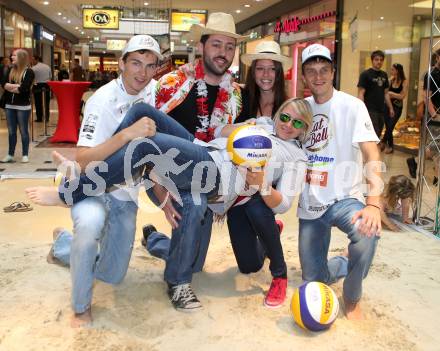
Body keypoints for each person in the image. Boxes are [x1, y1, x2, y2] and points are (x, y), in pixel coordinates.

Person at [25, 98, 309, 310]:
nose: (287, 125)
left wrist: (261, 183)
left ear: (303, 130)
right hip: (204, 150)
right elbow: (220, 131)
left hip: (214, 177)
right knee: (140, 112)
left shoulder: (295, 156)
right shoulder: (261, 124)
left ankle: (69, 192)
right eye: (285, 116)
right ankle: (92, 171)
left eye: (297, 123)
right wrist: (241, 129)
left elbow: (282, 205)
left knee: (145, 147)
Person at [28, 35, 161, 328]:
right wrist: (126, 134)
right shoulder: (102, 99)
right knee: (88, 228)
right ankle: (80, 306)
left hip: (125, 193)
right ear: (122, 64)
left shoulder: (152, 93)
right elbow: (84, 158)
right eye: (136, 63)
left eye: (150, 66)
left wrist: (164, 196)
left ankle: (64, 245)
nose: (142, 72)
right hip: (90, 185)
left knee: (112, 275)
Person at [141, 12, 248, 311]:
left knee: (195, 260)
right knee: (196, 203)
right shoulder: (171, 83)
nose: (223, 53)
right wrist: (160, 193)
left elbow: (233, 145)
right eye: (216, 44)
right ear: (201, 47)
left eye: (229, 47)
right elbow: (144, 139)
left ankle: (154, 241)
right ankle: (178, 283)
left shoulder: (236, 95)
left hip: (205, 173)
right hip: (163, 172)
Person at [298, 44, 382, 320]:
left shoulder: (353, 106)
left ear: (333, 72)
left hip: (345, 199)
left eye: (324, 70)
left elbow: (371, 151)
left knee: (367, 231)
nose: (318, 76)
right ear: (304, 77)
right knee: (314, 281)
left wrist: (374, 203)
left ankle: (352, 294)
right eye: (311, 71)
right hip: (310, 205)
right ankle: (341, 263)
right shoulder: (301, 110)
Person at [226, 40, 294, 308]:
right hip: (238, 190)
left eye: (272, 69)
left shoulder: (288, 108)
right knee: (249, 266)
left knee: (256, 207)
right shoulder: (240, 101)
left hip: (266, 193)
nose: (266, 75)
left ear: (279, 73)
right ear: (252, 72)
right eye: (260, 69)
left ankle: (280, 274)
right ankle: (271, 233)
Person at [407, 49, 440, 183]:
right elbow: (426, 97)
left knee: (437, 147)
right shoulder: (430, 74)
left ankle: (437, 176)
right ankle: (414, 161)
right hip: (434, 115)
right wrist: (434, 115)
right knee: (433, 147)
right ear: (437, 57)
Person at [0, 49, 35, 163]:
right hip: (9, 105)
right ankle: (10, 154)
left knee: (23, 130)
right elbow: (3, 84)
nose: (12, 57)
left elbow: (24, 89)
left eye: (14, 56)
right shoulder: (9, 69)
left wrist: (12, 87)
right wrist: (16, 87)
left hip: (23, 106)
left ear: (21, 57)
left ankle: (25, 154)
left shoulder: (29, 72)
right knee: (11, 131)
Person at [358, 50, 395, 138]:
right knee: (372, 135)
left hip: (381, 110)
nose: (379, 62)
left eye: (381, 60)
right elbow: (361, 93)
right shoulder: (365, 74)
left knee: (378, 134)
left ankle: (372, 150)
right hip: (369, 110)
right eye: (376, 59)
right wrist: (362, 109)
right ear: (372, 60)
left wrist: (390, 108)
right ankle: (372, 151)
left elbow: (386, 93)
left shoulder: (384, 75)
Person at [381, 63, 408, 154]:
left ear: (397, 71)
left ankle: (383, 142)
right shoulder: (390, 80)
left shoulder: (404, 81)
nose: (391, 71)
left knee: (391, 125)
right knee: (388, 126)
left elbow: (402, 96)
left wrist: (392, 94)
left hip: (397, 107)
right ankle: (390, 147)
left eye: (392, 69)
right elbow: (385, 93)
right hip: (387, 106)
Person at [31, 55, 52, 122]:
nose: (32, 61)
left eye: (33, 59)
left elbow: (32, 78)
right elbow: (50, 76)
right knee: (46, 102)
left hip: (37, 86)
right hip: (46, 85)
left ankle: (39, 118)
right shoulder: (47, 67)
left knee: (38, 102)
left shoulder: (33, 68)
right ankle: (46, 118)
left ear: (37, 60)